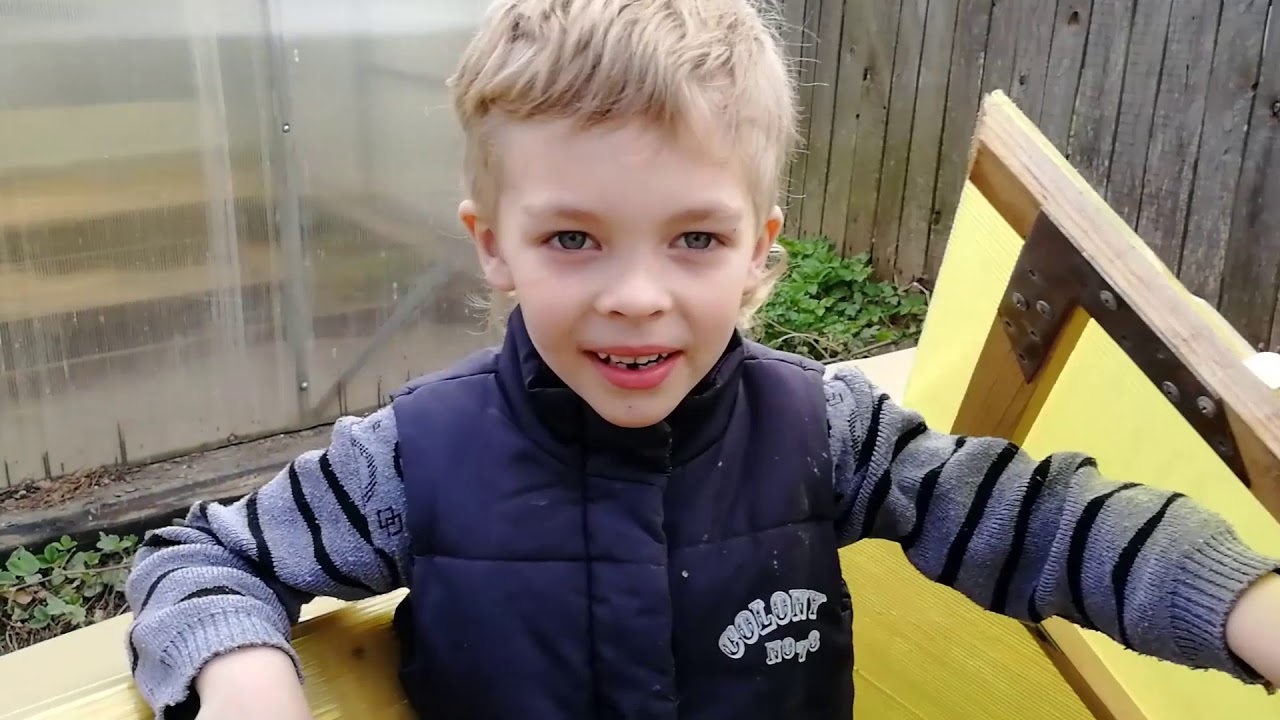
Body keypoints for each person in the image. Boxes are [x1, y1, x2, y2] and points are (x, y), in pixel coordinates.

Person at [124, 0, 1280, 718]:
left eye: (693, 240)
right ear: (493, 246)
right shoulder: (410, 460)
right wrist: (246, 681)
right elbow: (203, 560)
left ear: (758, 253)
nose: (638, 296)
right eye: (572, 239)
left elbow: (1041, 521)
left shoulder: (828, 435)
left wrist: (1243, 603)